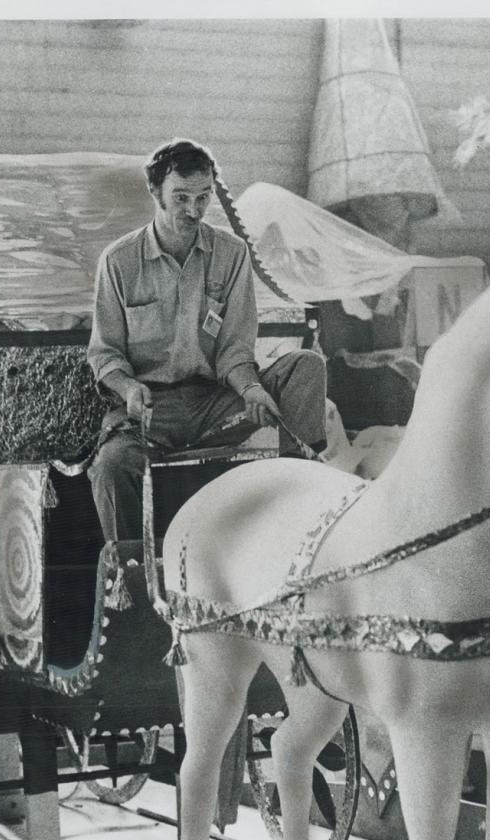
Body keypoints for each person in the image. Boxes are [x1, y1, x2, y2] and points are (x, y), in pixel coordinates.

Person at [85, 138, 328, 561]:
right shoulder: (119, 261)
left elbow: (234, 348)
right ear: (155, 193)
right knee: (112, 465)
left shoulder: (231, 254)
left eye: (203, 198)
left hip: (216, 402)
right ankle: (134, 574)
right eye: (180, 198)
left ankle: (302, 500)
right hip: (150, 409)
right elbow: (105, 354)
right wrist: (128, 390)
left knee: (305, 367)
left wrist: (250, 389)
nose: (193, 211)